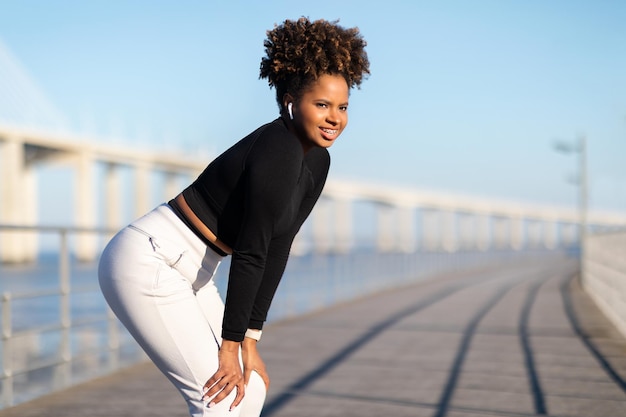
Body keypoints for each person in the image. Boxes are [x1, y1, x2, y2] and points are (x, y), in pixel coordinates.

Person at [98, 17, 370, 417]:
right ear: (290, 103)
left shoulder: (316, 163)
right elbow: (251, 252)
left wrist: (249, 343)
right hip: (152, 260)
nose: (335, 118)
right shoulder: (279, 148)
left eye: (342, 107)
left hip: (196, 271)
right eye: (322, 105)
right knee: (220, 401)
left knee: (251, 387)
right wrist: (230, 346)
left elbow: (278, 248)